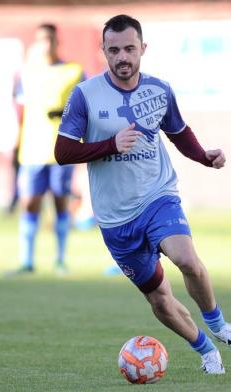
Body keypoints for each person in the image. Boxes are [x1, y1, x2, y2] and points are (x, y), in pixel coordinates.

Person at [55, 14, 229, 374]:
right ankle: (205, 349)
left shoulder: (159, 90)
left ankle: (218, 323)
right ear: (103, 50)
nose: (123, 57)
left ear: (142, 49)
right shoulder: (85, 95)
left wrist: (203, 157)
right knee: (160, 300)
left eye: (130, 49)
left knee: (187, 260)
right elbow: (63, 152)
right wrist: (109, 145)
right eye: (114, 49)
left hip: (157, 196)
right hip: (115, 218)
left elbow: (178, 131)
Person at [6, 23, 85, 276]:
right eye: (41, 40)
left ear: (57, 41)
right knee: (29, 203)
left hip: (62, 149)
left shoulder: (74, 72)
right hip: (31, 149)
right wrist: (15, 139)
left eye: (50, 39)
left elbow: (84, 108)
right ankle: (26, 261)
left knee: (61, 202)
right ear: (36, 43)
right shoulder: (25, 73)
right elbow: (18, 109)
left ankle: (61, 260)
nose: (46, 44)